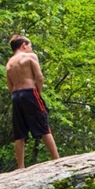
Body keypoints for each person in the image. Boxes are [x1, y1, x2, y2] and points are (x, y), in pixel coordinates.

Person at [5, 35, 60, 169]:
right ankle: (57, 160)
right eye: (30, 45)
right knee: (43, 125)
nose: (31, 48)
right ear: (24, 45)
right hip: (30, 92)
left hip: (16, 95)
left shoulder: (9, 63)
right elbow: (39, 77)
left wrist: (16, 93)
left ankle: (20, 167)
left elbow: (9, 85)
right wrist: (38, 92)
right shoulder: (30, 56)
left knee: (19, 131)